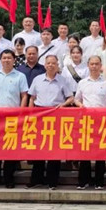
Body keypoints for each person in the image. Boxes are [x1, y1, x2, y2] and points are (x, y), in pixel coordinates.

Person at [27, 55, 74, 190]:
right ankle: (36, 179)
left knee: (54, 149)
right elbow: (32, 98)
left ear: (57, 65)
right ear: (45, 65)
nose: (51, 65)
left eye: (54, 63)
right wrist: (30, 114)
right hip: (39, 115)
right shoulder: (37, 79)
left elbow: (70, 97)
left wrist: (63, 105)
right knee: (39, 148)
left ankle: (52, 181)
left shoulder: (62, 80)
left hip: (56, 115)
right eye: (48, 63)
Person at [0, 50, 29, 189]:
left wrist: (21, 111)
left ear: (14, 60)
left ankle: (9, 178)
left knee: (10, 148)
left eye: (9, 58)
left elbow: (24, 95)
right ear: (0, 60)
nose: (6, 60)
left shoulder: (20, 76)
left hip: (13, 117)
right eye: (4, 58)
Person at [74, 56, 106, 190]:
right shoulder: (82, 82)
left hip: (102, 121)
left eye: (97, 64)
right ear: (88, 65)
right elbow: (76, 99)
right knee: (85, 151)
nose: (94, 66)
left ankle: (99, 181)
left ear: (100, 65)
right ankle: (83, 180)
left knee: (100, 151)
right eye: (92, 64)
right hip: (86, 121)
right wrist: (80, 105)